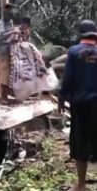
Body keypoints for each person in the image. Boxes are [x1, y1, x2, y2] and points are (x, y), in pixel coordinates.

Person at [59, 19, 97, 191]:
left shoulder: (74, 52)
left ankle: (81, 185)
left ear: (80, 34)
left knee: (81, 143)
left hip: (80, 106)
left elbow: (67, 79)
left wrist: (62, 96)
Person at [0, 4, 17, 101]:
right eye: (9, 14)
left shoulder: (10, 22)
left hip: (10, 49)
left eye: (11, 14)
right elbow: (1, 35)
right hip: (2, 51)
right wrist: (13, 32)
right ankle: (3, 97)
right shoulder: (1, 23)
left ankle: (8, 94)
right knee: (4, 74)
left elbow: (12, 33)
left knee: (10, 73)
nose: (10, 16)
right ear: (4, 13)